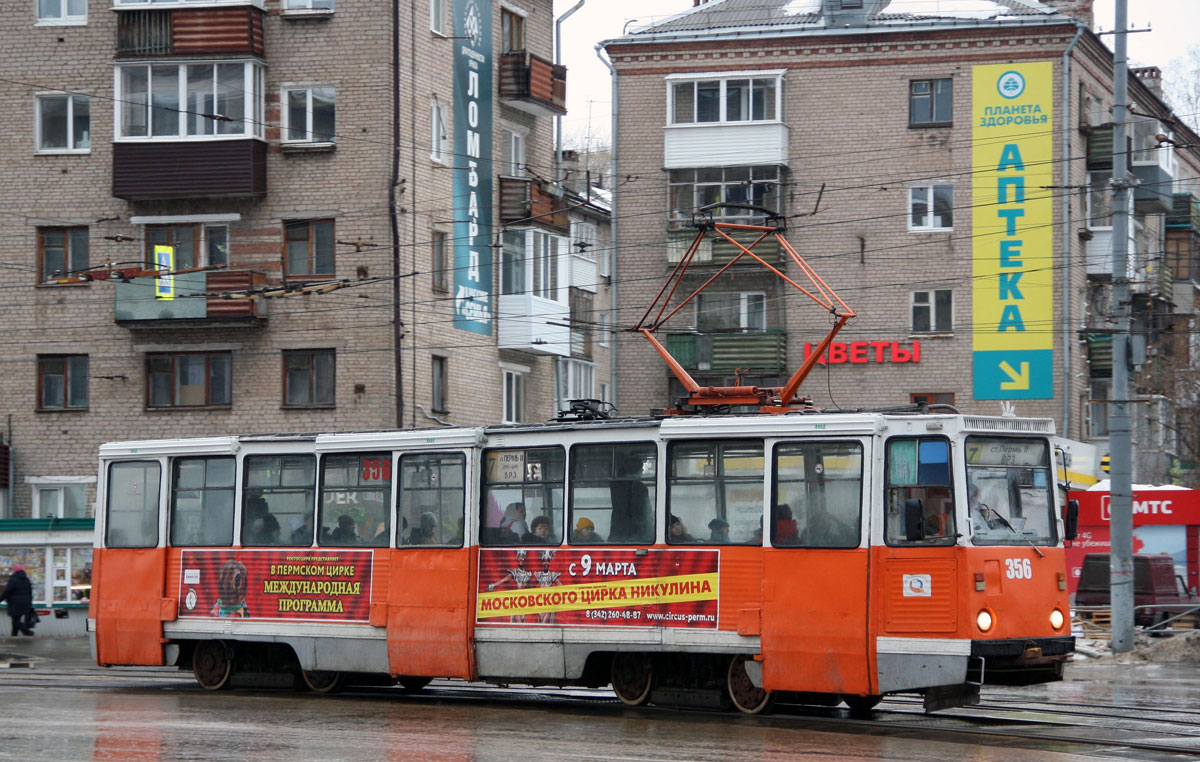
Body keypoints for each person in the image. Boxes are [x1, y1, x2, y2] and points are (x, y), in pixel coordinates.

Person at [609, 455, 652, 543]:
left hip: (618, 526)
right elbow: (644, 509)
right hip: (636, 529)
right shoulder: (640, 487)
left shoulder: (615, 485)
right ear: (637, 470)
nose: (642, 471)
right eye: (641, 468)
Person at [0, 565, 34, 636]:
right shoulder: (26, 579)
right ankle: (14, 636)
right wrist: (30, 602)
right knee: (15, 620)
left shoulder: (13, 580)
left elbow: (7, 591)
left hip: (15, 603)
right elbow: (30, 592)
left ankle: (27, 632)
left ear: (14, 571)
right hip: (25, 602)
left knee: (16, 621)